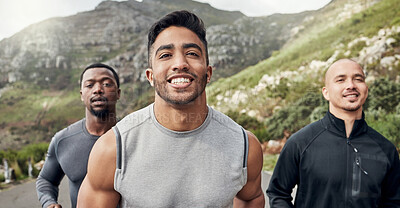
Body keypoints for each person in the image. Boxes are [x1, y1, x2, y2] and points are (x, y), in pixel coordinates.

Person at [77, 10, 265, 207]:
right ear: (150, 76)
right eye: (166, 55)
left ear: (208, 73)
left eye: (192, 54)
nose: (180, 64)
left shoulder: (244, 146)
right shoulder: (113, 148)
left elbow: (251, 197)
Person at [267, 59, 400, 207]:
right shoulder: (300, 143)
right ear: (326, 92)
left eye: (358, 79)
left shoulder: (386, 149)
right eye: (341, 80)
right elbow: (278, 193)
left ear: (366, 90)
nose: (351, 85)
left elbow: (393, 202)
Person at [36, 63, 121, 208]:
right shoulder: (62, 140)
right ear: (82, 94)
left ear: (118, 93)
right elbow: (46, 179)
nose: (98, 90)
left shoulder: (133, 137)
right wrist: (49, 203)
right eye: (89, 85)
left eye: (106, 84)